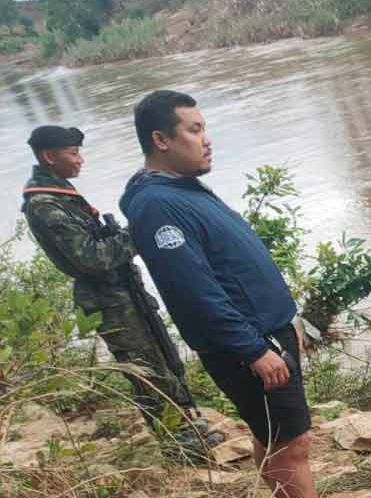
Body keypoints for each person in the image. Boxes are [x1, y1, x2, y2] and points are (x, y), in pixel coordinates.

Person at [120, 90, 371, 498]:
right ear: (161, 139)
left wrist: (285, 325)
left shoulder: (177, 188)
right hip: (248, 342)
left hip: (266, 331)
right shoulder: (157, 205)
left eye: (204, 127)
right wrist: (254, 348)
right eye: (193, 130)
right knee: (292, 445)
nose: (206, 139)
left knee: (274, 440)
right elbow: (194, 291)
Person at [21, 124, 225, 461]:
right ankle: (178, 446)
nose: (80, 160)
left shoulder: (59, 192)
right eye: (73, 153)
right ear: (49, 156)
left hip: (124, 294)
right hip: (108, 302)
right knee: (146, 373)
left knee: (164, 359)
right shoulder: (44, 202)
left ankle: (188, 424)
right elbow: (89, 259)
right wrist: (137, 235)